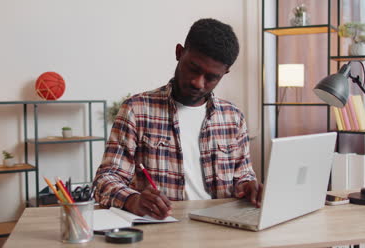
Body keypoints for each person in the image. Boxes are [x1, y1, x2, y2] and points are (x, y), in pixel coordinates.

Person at [93, 18, 262, 220]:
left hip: (220, 226)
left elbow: (243, 177)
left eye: (211, 77)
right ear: (179, 53)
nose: (198, 83)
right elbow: (105, 180)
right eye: (193, 68)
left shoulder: (233, 118)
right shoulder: (136, 110)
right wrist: (133, 200)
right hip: (163, 227)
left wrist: (247, 187)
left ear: (224, 73)